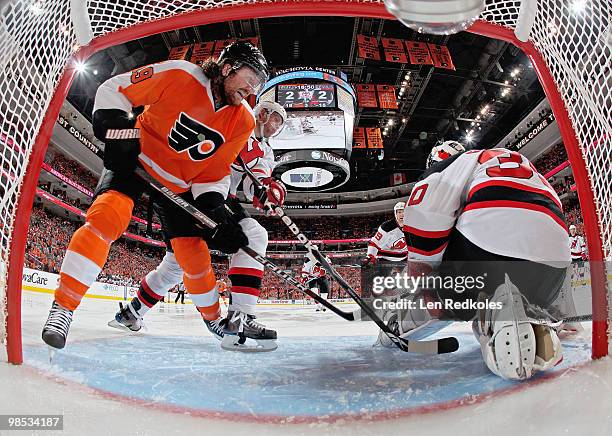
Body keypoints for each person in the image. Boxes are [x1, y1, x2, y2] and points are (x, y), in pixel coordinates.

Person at [42, 41, 269, 350]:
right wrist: (118, 130)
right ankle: (63, 307)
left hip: (178, 186)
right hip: (136, 162)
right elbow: (116, 89)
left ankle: (215, 319)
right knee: (106, 218)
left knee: (195, 256)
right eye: (251, 77)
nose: (253, 88)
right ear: (228, 66)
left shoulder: (243, 120)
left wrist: (215, 210)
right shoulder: (180, 74)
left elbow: (213, 173)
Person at [376, 141, 570, 381]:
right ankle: (528, 316)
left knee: (433, 276)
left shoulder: (447, 168)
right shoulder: (517, 163)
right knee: (483, 299)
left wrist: (430, 292)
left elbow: (424, 235)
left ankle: (397, 325)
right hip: (555, 269)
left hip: (486, 255)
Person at [108, 101, 287, 352]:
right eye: (277, 119)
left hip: (213, 195)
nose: (277, 127)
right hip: (191, 190)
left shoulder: (266, 151)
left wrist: (265, 191)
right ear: (264, 114)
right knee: (253, 235)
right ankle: (240, 320)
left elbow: (254, 181)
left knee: (173, 266)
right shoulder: (237, 119)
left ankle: (132, 313)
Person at [362, 201, 408, 266]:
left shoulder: (413, 225)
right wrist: (370, 257)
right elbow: (374, 243)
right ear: (395, 214)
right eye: (399, 212)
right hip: (386, 256)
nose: (402, 214)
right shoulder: (387, 227)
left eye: (404, 212)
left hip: (405, 255)